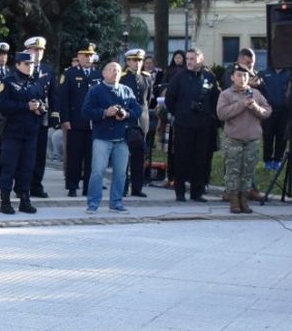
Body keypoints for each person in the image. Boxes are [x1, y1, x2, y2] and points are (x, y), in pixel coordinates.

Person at [83, 60, 142, 213]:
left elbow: (137, 111)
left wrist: (127, 114)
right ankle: (93, 204)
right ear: (104, 73)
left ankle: (116, 202)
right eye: (111, 70)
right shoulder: (95, 90)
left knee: (121, 173)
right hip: (102, 137)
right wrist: (104, 113)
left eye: (117, 70)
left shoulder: (126, 90)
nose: (115, 73)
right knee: (97, 172)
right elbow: (86, 111)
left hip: (122, 138)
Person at [163, 49, 219, 202]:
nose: (189, 61)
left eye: (192, 59)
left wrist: (210, 115)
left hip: (203, 125)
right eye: (187, 58)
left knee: (201, 159)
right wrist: (180, 114)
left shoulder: (209, 77)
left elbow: (215, 99)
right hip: (183, 125)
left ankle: (197, 192)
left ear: (201, 59)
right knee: (181, 158)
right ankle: (179, 192)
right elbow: (170, 99)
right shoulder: (179, 76)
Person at [0, 52, 47, 215]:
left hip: (31, 132)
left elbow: (44, 104)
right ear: (17, 64)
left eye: (32, 64)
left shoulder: (36, 83)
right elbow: (3, 106)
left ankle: (25, 200)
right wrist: (26, 107)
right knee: (9, 168)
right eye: (26, 64)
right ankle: (5, 201)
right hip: (12, 132)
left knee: (27, 168)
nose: (30, 67)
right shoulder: (8, 82)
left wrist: (40, 109)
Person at [216, 65, 270, 215]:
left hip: (252, 140)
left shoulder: (256, 94)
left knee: (248, 172)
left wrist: (255, 107)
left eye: (245, 76)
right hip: (234, 139)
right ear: (232, 77)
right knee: (233, 172)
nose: (243, 78)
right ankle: (234, 200)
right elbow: (221, 114)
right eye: (239, 75)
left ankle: (244, 199)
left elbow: (267, 112)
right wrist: (241, 104)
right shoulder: (226, 95)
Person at [59, 45, 97, 196]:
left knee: (91, 157)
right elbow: (64, 99)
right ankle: (72, 186)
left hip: (94, 123)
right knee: (74, 156)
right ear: (79, 57)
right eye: (85, 55)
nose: (88, 58)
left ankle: (88, 187)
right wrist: (65, 119)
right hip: (75, 122)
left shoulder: (98, 74)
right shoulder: (70, 74)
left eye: (90, 55)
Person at [22, 37, 57, 198]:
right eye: (35, 49)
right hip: (25, 115)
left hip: (42, 116)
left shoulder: (48, 70)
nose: (38, 53)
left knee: (40, 153)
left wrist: (55, 115)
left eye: (41, 50)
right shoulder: (21, 67)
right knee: (24, 152)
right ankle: (23, 184)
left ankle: (36, 185)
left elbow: (53, 95)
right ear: (27, 50)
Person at [120, 49, 155, 198]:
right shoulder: (122, 78)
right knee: (123, 156)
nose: (137, 63)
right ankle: (122, 187)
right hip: (127, 118)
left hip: (142, 119)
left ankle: (137, 187)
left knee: (139, 155)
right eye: (134, 60)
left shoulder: (146, 78)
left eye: (139, 60)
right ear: (128, 62)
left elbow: (147, 99)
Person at [259, 64, 291, 174]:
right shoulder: (263, 73)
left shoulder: (289, 73)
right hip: (268, 111)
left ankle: (277, 160)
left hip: (284, 111)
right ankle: (267, 160)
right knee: (267, 136)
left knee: (282, 136)